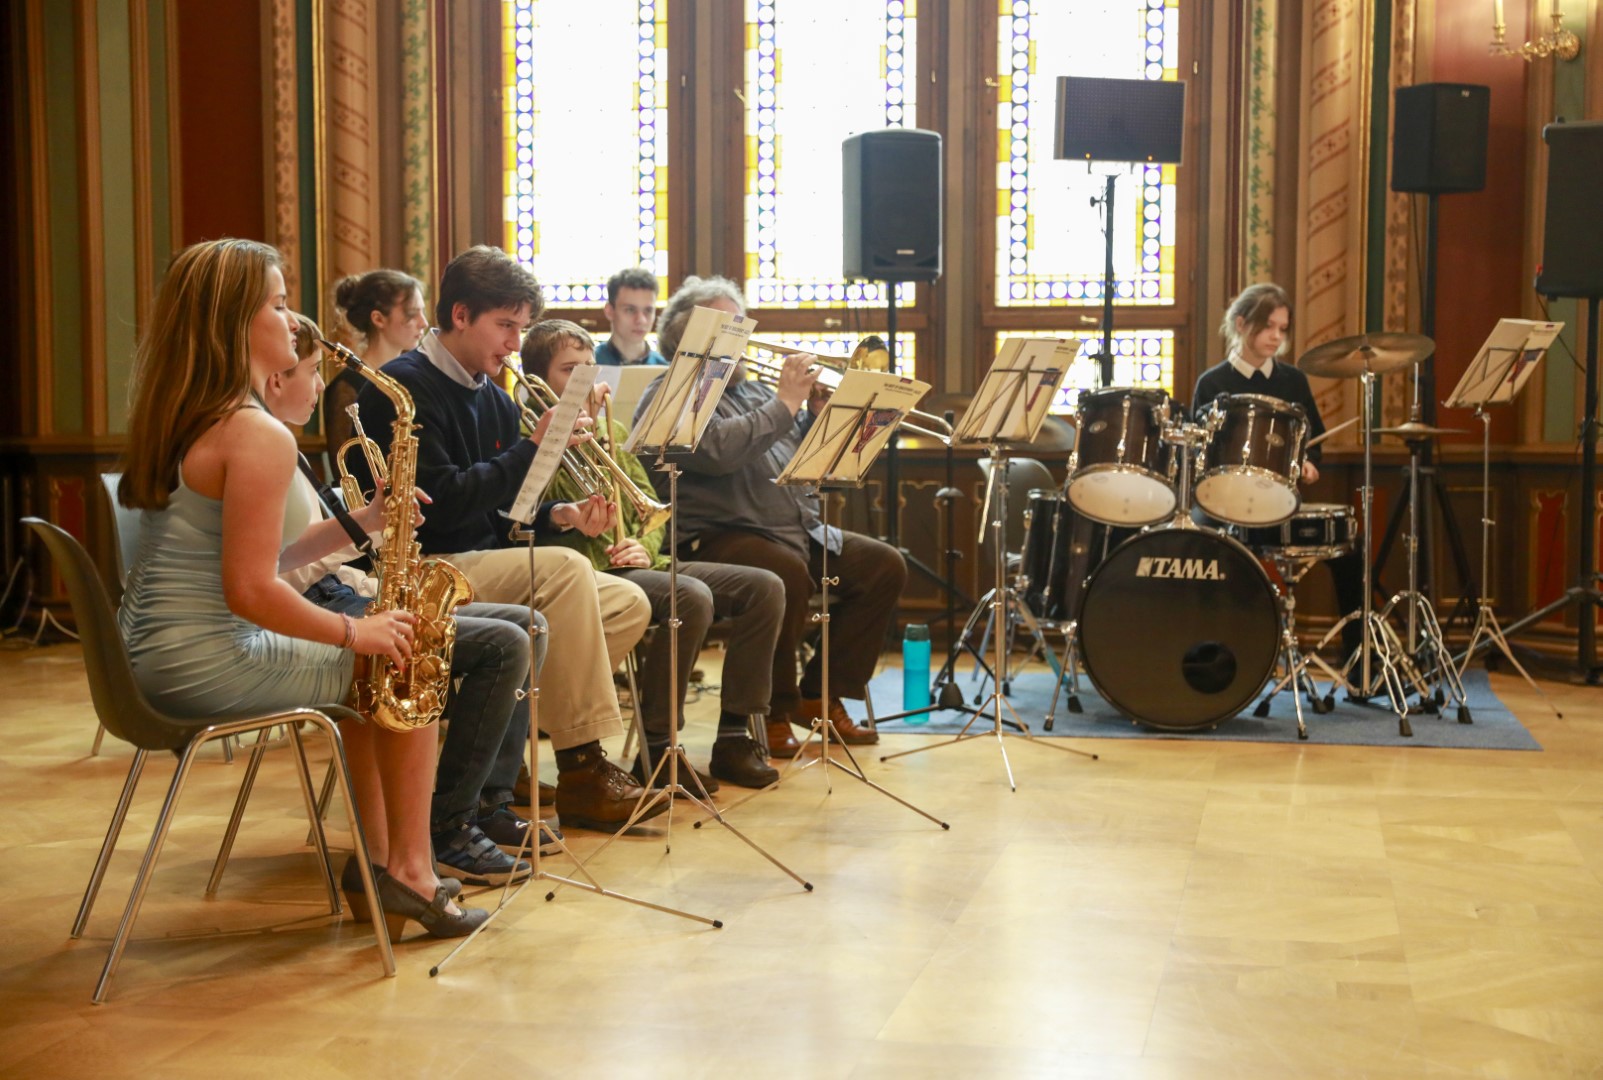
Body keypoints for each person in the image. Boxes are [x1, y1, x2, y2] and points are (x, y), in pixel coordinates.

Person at [116, 238, 483, 938]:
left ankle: (379, 865)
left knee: (375, 667)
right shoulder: (256, 434)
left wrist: (359, 522)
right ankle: (410, 872)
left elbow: (263, 559)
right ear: (234, 321)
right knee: (403, 661)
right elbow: (251, 592)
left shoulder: (196, 415)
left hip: (152, 655)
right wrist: (356, 631)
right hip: (204, 660)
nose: (293, 321)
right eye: (279, 305)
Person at [351, 245, 658, 834]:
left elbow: (500, 516)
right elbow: (441, 505)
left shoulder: (490, 396)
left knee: (626, 601)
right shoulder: (402, 388)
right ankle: (582, 767)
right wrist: (531, 449)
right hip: (421, 567)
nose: (516, 344)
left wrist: (562, 514)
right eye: (506, 326)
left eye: (522, 327)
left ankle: (504, 755)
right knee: (566, 572)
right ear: (460, 315)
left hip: (478, 560)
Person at [267, 313, 551, 886]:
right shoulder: (261, 445)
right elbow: (271, 569)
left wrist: (371, 522)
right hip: (314, 612)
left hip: (337, 593)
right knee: (496, 645)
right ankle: (445, 827)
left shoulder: (282, 445)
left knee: (528, 625)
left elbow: (291, 551)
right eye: (312, 372)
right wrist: (367, 562)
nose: (322, 386)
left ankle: (485, 804)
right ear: (276, 379)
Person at [638, 275, 906, 758]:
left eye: (742, 325)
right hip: (715, 538)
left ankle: (819, 694)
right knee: (783, 572)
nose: (742, 337)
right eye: (728, 327)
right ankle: (774, 711)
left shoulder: (757, 392)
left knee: (884, 565)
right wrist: (786, 403)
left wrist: (820, 418)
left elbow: (808, 465)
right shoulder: (670, 395)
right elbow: (719, 452)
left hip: (794, 530)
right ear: (687, 336)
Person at [521, 319, 784, 790]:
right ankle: (659, 749)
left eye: (589, 367)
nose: (585, 379)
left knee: (764, 587)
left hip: (640, 563)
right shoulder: (527, 437)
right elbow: (533, 513)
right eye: (569, 370)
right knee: (691, 597)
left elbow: (650, 510)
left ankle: (733, 737)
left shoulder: (612, 428)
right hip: (589, 570)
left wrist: (643, 546)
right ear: (538, 380)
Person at [1192, 282, 1365, 658]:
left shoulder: (1292, 380)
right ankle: (1214, 654)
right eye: (1268, 326)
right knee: (1195, 543)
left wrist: (1309, 462)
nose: (1276, 336)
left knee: (1351, 548)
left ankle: (1357, 658)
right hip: (1223, 507)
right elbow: (1198, 455)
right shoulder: (1212, 383)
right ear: (1241, 324)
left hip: (1279, 505)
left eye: (1282, 328)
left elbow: (1313, 440)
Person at [323, 269, 429, 453]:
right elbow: (344, 466)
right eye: (412, 313)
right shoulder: (346, 388)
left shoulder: (416, 378)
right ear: (378, 319)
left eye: (422, 312)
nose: (424, 323)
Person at [595, 267, 666, 366]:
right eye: (630, 310)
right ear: (609, 311)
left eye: (648, 310)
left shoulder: (665, 369)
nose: (641, 320)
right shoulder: (590, 365)